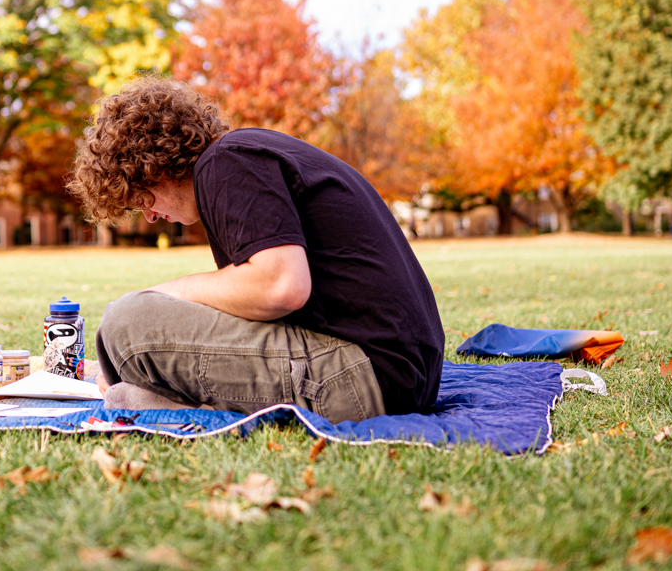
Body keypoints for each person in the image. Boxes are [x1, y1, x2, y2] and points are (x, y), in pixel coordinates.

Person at [69, 77, 444, 422]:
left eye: (139, 198)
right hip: (402, 376)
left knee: (125, 321)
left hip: (366, 377)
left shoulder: (226, 162)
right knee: (141, 319)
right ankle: (172, 398)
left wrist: (166, 292)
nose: (149, 216)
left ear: (151, 164)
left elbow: (280, 286)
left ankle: (184, 406)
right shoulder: (249, 154)